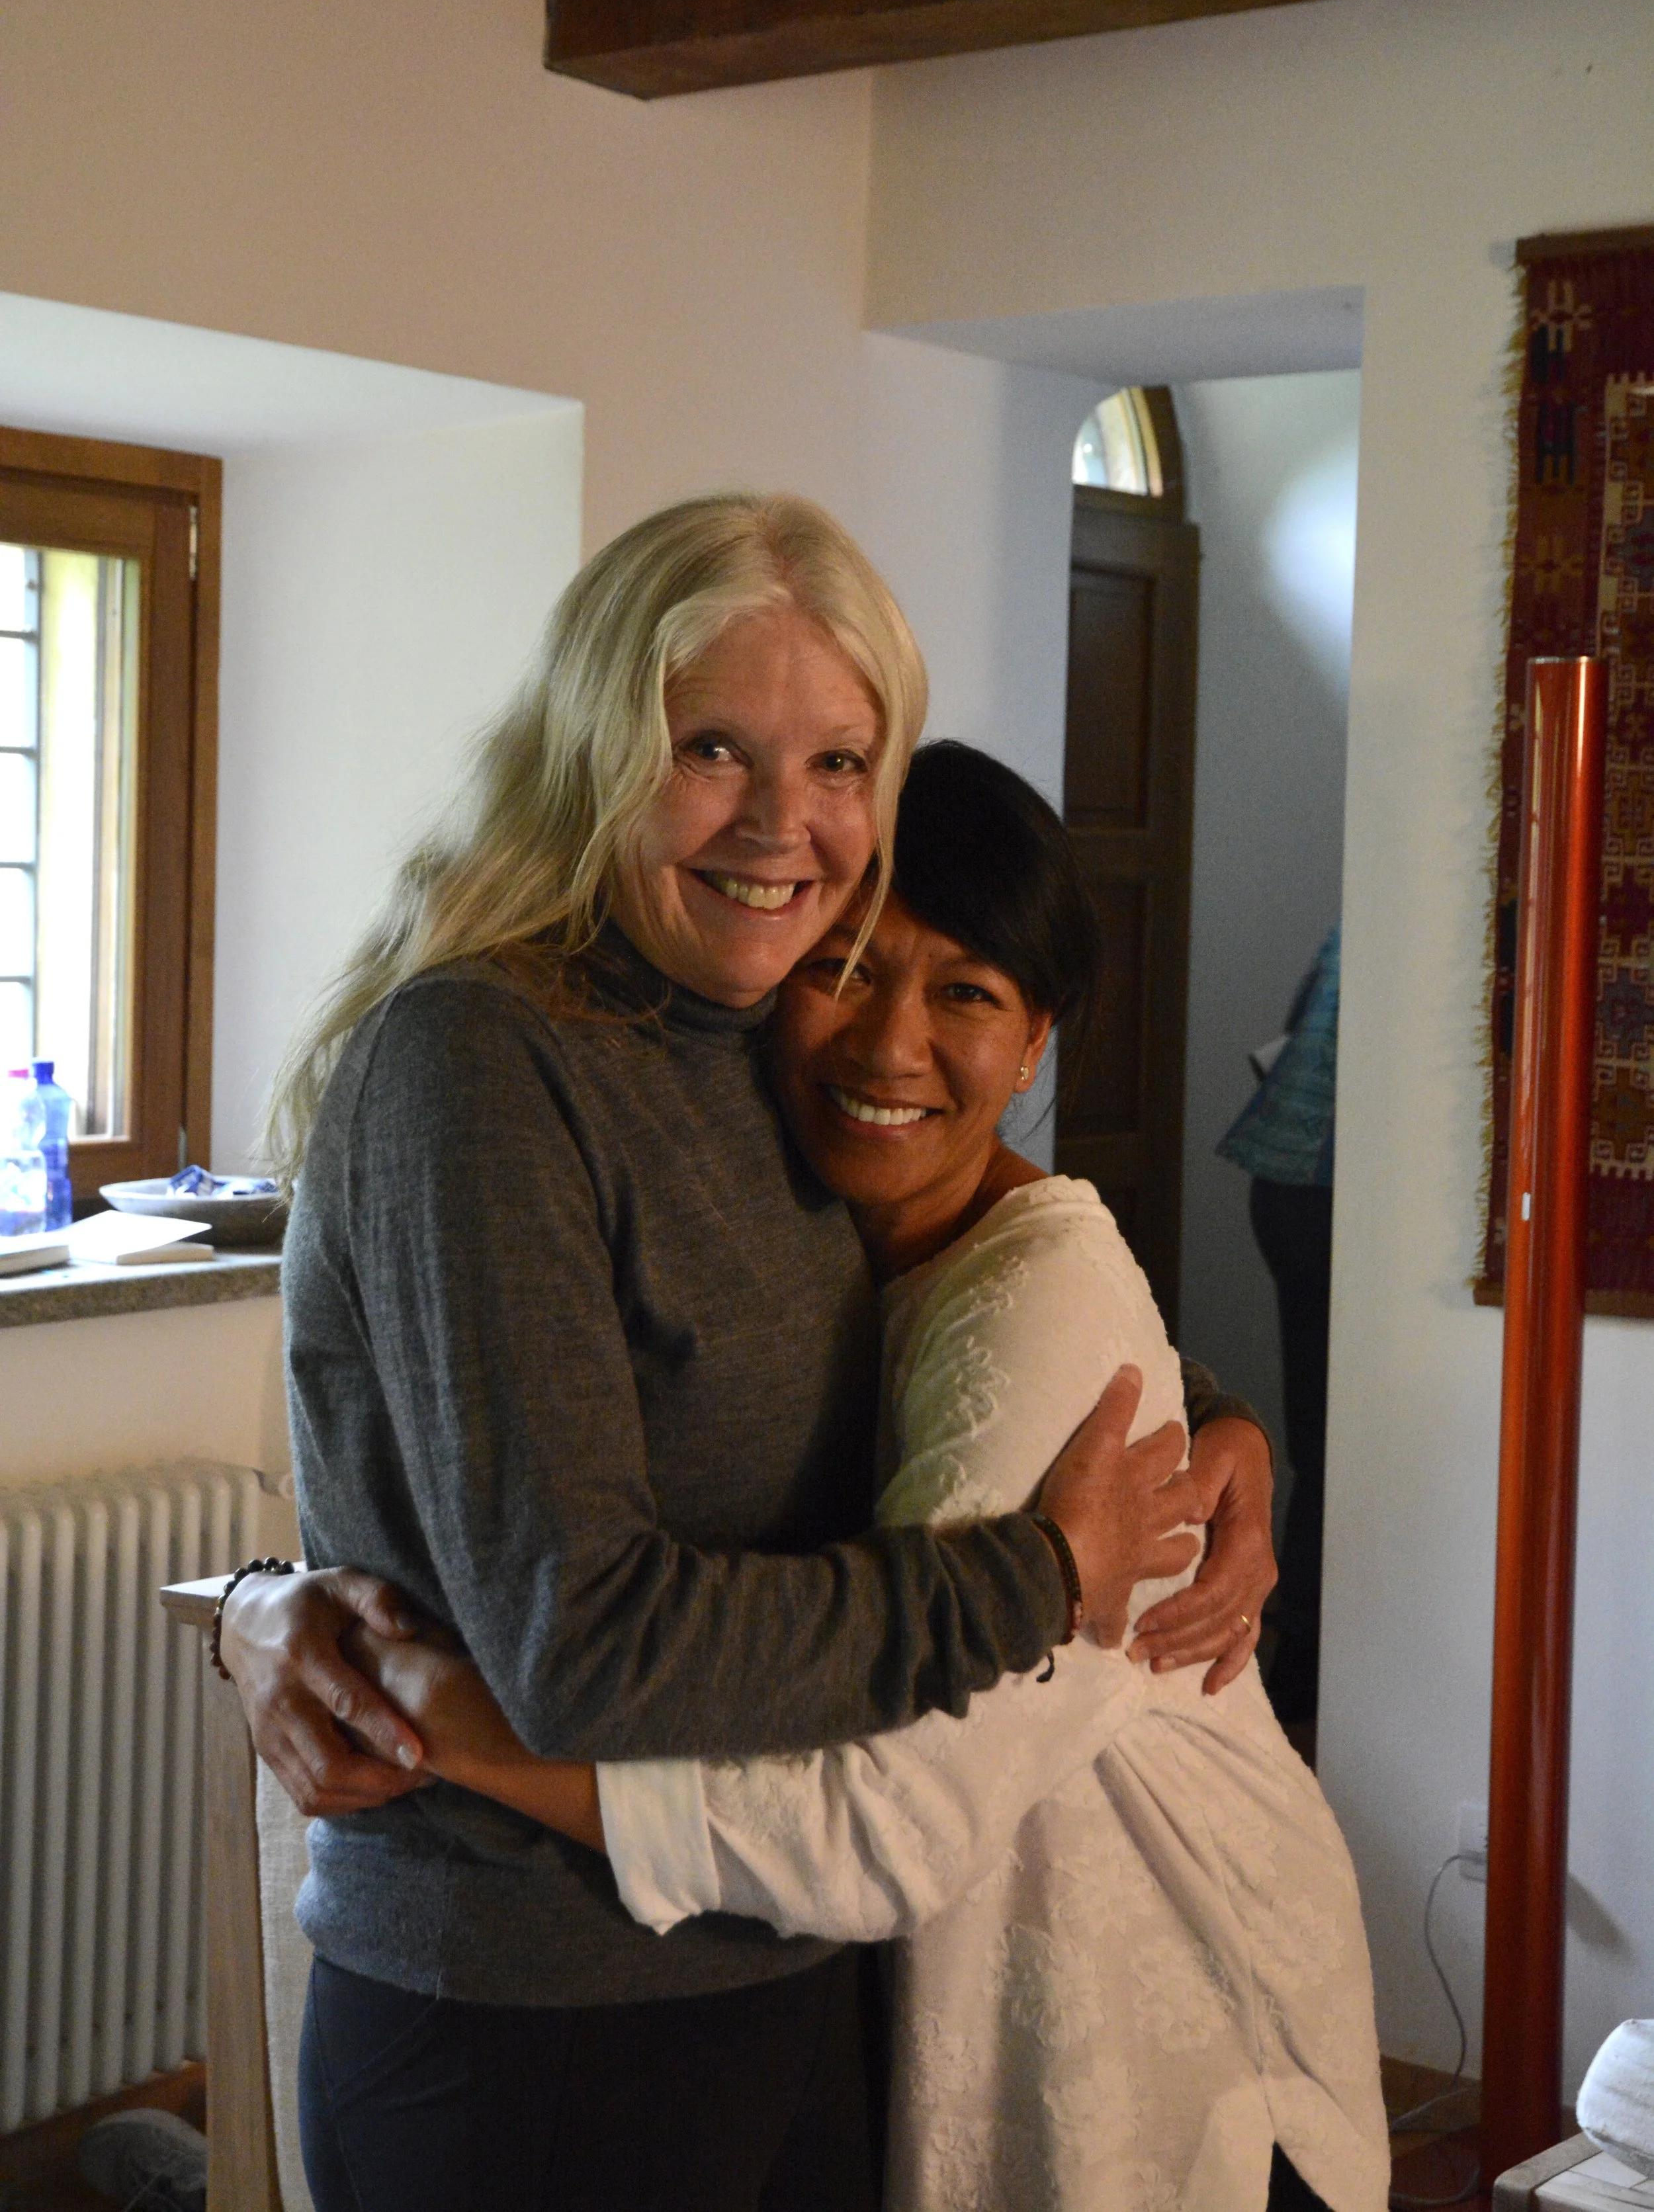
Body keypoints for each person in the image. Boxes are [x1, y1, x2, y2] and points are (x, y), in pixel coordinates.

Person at [221, 495, 1278, 2212]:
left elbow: (932, 1264)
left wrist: (1212, 1419)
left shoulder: (747, 1028)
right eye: (712, 747)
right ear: (592, 748)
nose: (784, 821)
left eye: (840, 762)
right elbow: (583, 1640)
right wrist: (1037, 1569)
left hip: (776, 1969)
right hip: (530, 2018)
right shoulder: (485, 1060)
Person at [340, 745, 1389, 2212]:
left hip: (1171, 2054)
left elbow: (886, 1819)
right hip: (934, 2036)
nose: (887, 1045)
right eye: (841, 968)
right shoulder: (803, 1213)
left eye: (963, 993)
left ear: (1036, 1046)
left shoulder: (1036, 1301)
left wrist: (459, 1736)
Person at [1218, 923, 1340, 1730]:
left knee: (1324, 1456)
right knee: (1335, 1459)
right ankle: (1296, 1690)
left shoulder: (1356, 922)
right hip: (1319, 1194)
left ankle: (1296, 1682)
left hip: (1295, 1187)